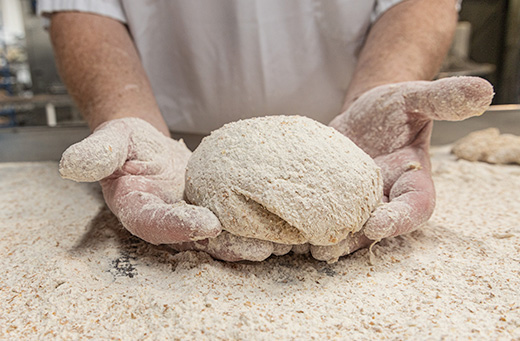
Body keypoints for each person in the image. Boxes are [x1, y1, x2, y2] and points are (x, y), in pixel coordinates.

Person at [39, 0, 493, 261]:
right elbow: (83, 7)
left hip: (351, 138)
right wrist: (124, 108)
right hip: (167, 143)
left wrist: (380, 94)